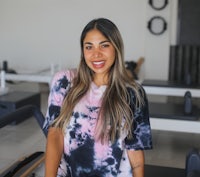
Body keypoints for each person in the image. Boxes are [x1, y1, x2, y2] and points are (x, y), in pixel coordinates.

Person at [43, 18, 152, 177]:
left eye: (104, 45)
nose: (96, 54)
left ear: (116, 47)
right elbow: (55, 134)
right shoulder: (64, 81)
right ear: (83, 51)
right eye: (89, 47)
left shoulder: (134, 93)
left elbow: (135, 153)